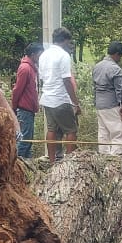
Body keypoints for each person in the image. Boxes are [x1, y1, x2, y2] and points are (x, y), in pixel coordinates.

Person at [39, 27, 82, 162]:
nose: (69, 45)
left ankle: (52, 161)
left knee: (51, 129)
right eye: (69, 42)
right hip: (61, 99)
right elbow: (67, 80)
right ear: (64, 40)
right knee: (71, 130)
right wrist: (75, 102)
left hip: (47, 98)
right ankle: (68, 162)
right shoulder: (63, 55)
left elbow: (41, 78)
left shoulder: (43, 55)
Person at [93, 41, 122, 154]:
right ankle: (116, 156)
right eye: (120, 55)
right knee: (117, 131)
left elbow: (94, 86)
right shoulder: (115, 69)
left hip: (99, 104)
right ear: (117, 54)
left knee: (103, 132)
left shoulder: (97, 66)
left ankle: (103, 154)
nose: (120, 58)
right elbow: (119, 90)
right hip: (111, 104)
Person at [12, 42, 43, 158]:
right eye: (40, 54)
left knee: (28, 140)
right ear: (33, 54)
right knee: (24, 140)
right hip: (24, 109)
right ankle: (17, 164)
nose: (41, 57)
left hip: (29, 109)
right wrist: (13, 107)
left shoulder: (32, 67)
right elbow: (17, 89)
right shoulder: (25, 68)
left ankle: (28, 166)